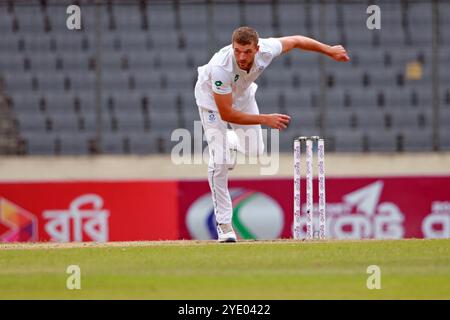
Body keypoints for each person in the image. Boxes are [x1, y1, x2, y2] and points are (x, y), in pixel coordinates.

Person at [194, 26, 349, 242]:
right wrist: (265, 119)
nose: (241, 56)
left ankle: (227, 143)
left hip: (243, 95)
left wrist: (329, 50)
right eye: (237, 50)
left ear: (257, 49)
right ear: (232, 47)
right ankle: (225, 225)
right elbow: (227, 113)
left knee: (255, 150)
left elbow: (296, 40)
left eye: (247, 51)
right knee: (219, 161)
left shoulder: (267, 49)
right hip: (212, 101)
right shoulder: (220, 67)